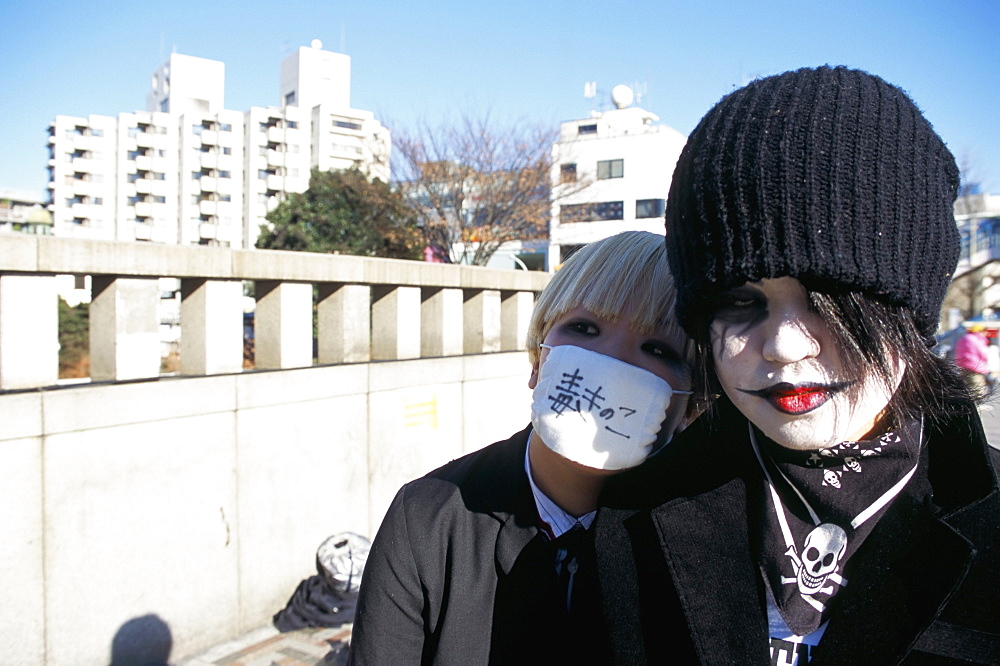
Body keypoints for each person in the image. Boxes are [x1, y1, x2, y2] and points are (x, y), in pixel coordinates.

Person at [596, 66, 1000, 664]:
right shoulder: (638, 508)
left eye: (830, 300)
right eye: (738, 302)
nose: (785, 346)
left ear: (908, 308)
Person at [348, 231, 694, 664]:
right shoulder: (426, 519)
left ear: (691, 408)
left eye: (657, 348)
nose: (611, 361)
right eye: (584, 328)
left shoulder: (713, 539)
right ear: (537, 358)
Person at [955, 324, 991, 391]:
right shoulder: (977, 340)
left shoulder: (963, 338)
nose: (986, 333)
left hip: (962, 367)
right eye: (984, 331)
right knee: (978, 391)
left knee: (966, 390)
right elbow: (984, 354)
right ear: (979, 331)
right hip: (975, 368)